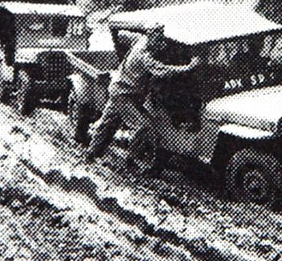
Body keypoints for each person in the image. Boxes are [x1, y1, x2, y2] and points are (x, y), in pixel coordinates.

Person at [83, 25, 201, 170]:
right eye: (158, 41)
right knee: (143, 126)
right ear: (152, 39)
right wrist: (187, 68)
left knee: (107, 124)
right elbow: (161, 70)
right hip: (125, 94)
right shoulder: (144, 56)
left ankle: (91, 154)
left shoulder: (140, 39)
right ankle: (130, 160)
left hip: (120, 89)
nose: (160, 46)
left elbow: (121, 34)